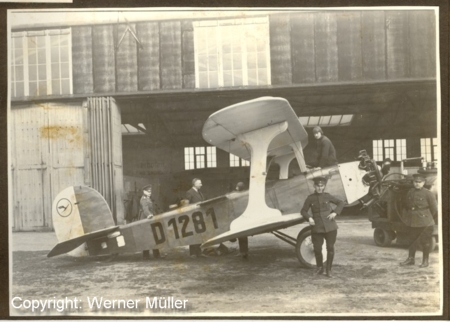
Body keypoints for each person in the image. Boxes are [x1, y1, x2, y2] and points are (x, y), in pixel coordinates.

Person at [300, 176, 345, 278]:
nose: (320, 188)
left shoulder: (327, 196)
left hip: (330, 226)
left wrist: (335, 213)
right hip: (317, 227)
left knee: (330, 248)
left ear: (324, 186)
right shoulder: (310, 198)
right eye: (318, 186)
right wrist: (309, 218)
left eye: (322, 186)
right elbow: (303, 211)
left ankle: (328, 270)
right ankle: (319, 268)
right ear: (314, 186)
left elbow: (341, 203)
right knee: (317, 249)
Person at [399, 173, 438, 268]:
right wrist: (406, 218)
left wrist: (427, 218)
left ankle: (425, 261)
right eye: (415, 182)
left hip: (425, 222)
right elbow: (405, 205)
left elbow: (434, 210)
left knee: (425, 242)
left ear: (424, 183)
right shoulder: (410, 192)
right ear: (413, 182)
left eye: (420, 182)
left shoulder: (428, 194)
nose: (417, 184)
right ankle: (410, 259)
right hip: (412, 221)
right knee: (411, 241)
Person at [185, 178, 208, 258]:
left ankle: (199, 252)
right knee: (193, 235)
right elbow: (186, 205)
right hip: (193, 217)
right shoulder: (189, 192)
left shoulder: (199, 193)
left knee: (199, 234)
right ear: (195, 184)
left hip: (200, 216)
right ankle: (193, 253)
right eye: (200, 183)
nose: (201, 185)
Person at [140, 185, 163, 260]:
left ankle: (156, 254)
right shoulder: (143, 199)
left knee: (154, 236)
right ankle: (146, 255)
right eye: (148, 191)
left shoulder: (149, 198)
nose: (150, 192)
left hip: (150, 219)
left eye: (150, 191)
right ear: (144, 191)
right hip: (146, 220)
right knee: (147, 237)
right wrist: (149, 215)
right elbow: (145, 209)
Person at [234, 182, 249, 259]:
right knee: (243, 236)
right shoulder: (245, 195)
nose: (236, 188)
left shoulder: (238, 196)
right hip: (244, 217)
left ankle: (243, 253)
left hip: (240, 218)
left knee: (241, 236)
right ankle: (244, 251)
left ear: (239, 188)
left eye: (237, 187)